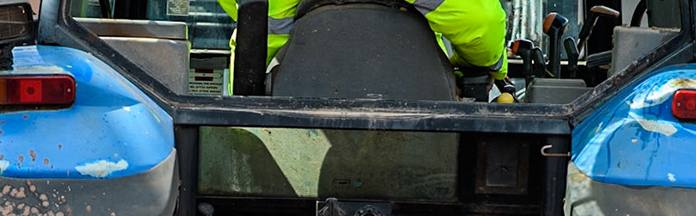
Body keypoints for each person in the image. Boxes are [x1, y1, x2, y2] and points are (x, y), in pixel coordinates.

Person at [217, 0, 510, 82]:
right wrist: (491, 66)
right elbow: (479, 23)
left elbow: (256, 33)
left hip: (288, 128)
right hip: (422, 134)